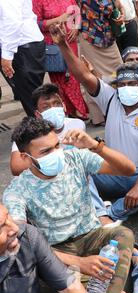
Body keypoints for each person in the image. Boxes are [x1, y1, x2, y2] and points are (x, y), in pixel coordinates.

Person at [2, 117, 137, 293]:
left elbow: (128, 170)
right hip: (56, 251)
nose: (57, 153)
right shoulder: (18, 189)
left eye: (57, 145)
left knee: (124, 234)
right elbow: (25, 242)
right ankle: (107, 289)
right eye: (46, 151)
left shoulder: (74, 158)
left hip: (92, 236)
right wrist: (80, 263)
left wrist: (95, 146)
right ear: (26, 157)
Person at [50, 23, 138, 224]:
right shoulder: (111, 99)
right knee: (76, 162)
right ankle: (99, 211)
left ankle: (112, 213)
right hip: (110, 171)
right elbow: (84, 76)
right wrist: (63, 46)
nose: (126, 88)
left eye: (131, 84)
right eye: (121, 85)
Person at [9, 83, 111, 222]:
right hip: (42, 177)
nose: (53, 109)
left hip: (72, 178)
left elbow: (86, 158)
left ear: (63, 106)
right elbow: (16, 168)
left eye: (56, 103)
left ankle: (100, 213)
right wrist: (52, 157)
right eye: (46, 106)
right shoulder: (29, 135)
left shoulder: (77, 124)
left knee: (80, 166)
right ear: (38, 114)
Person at [0, 203, 88, 293]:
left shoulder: (28, 237)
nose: (15, 228)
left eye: (8, 215)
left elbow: (70, 286)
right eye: (1, 227)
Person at [32, 0, 89, 120]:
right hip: (53, 43)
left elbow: (76, 12)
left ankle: (79, 109)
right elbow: (36, 23)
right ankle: (64, 109)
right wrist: (58, 19)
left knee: (74, 75)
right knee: (59, 79)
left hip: (70, 40)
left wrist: (75, 28)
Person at [78, 0, 126, 126]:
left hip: (108, 37)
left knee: (121, 72)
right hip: (90, 37)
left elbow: (120, 7)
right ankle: (100, 117)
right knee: (93, 75)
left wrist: (122, 16)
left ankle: (125, 107)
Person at [0, 0, 45, 117]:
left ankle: (47, 132)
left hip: (22, 47)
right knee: (32, 97)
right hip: (22, 46)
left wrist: (7, 55)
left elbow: (12, 22)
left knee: (34, 100)